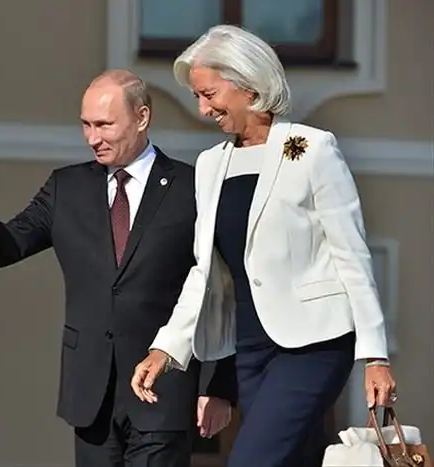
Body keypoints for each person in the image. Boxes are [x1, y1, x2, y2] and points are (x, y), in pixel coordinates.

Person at [0, 69, 236, 467]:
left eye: (104, 124)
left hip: (164, 389)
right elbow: (6, 246)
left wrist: (219, 384)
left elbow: (220, 287)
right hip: (90, 396)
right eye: (86, 125)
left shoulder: (192, 187)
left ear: (142, 118)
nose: (92, 138)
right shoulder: (66, 188)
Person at [130, 25, 398, 467]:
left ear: (248, 85)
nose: (202, 109)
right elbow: (204, 271)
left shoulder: (312, 149)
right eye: (197, 96)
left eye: (209, 94)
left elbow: (352, 256)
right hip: (251, 351)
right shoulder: (210, 164)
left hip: (314, 347)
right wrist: (166, 348)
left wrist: (375, 355)